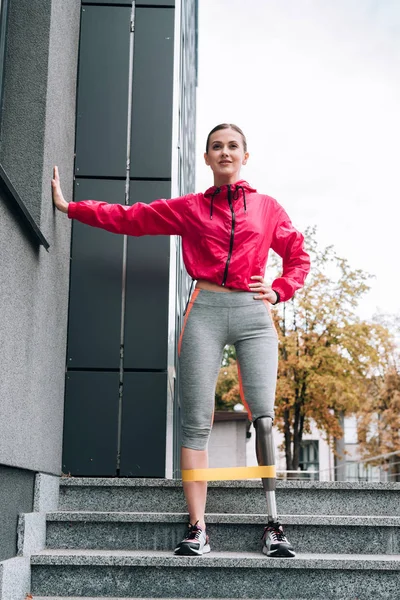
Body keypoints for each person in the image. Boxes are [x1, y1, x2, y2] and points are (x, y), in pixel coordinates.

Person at [52, 123, 310, 558]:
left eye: (233, 146)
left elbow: (298, 255)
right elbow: (130, 217)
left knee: (264, 415)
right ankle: (197, 528)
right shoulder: (191, 208)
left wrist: (282, 288)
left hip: (252, 313)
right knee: (195, 422)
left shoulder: (267, 208)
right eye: (216, 147)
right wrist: (70, 207)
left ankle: (274, 524)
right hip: (204, 311)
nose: (224, 152)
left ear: (245, 156)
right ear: (207, 158)